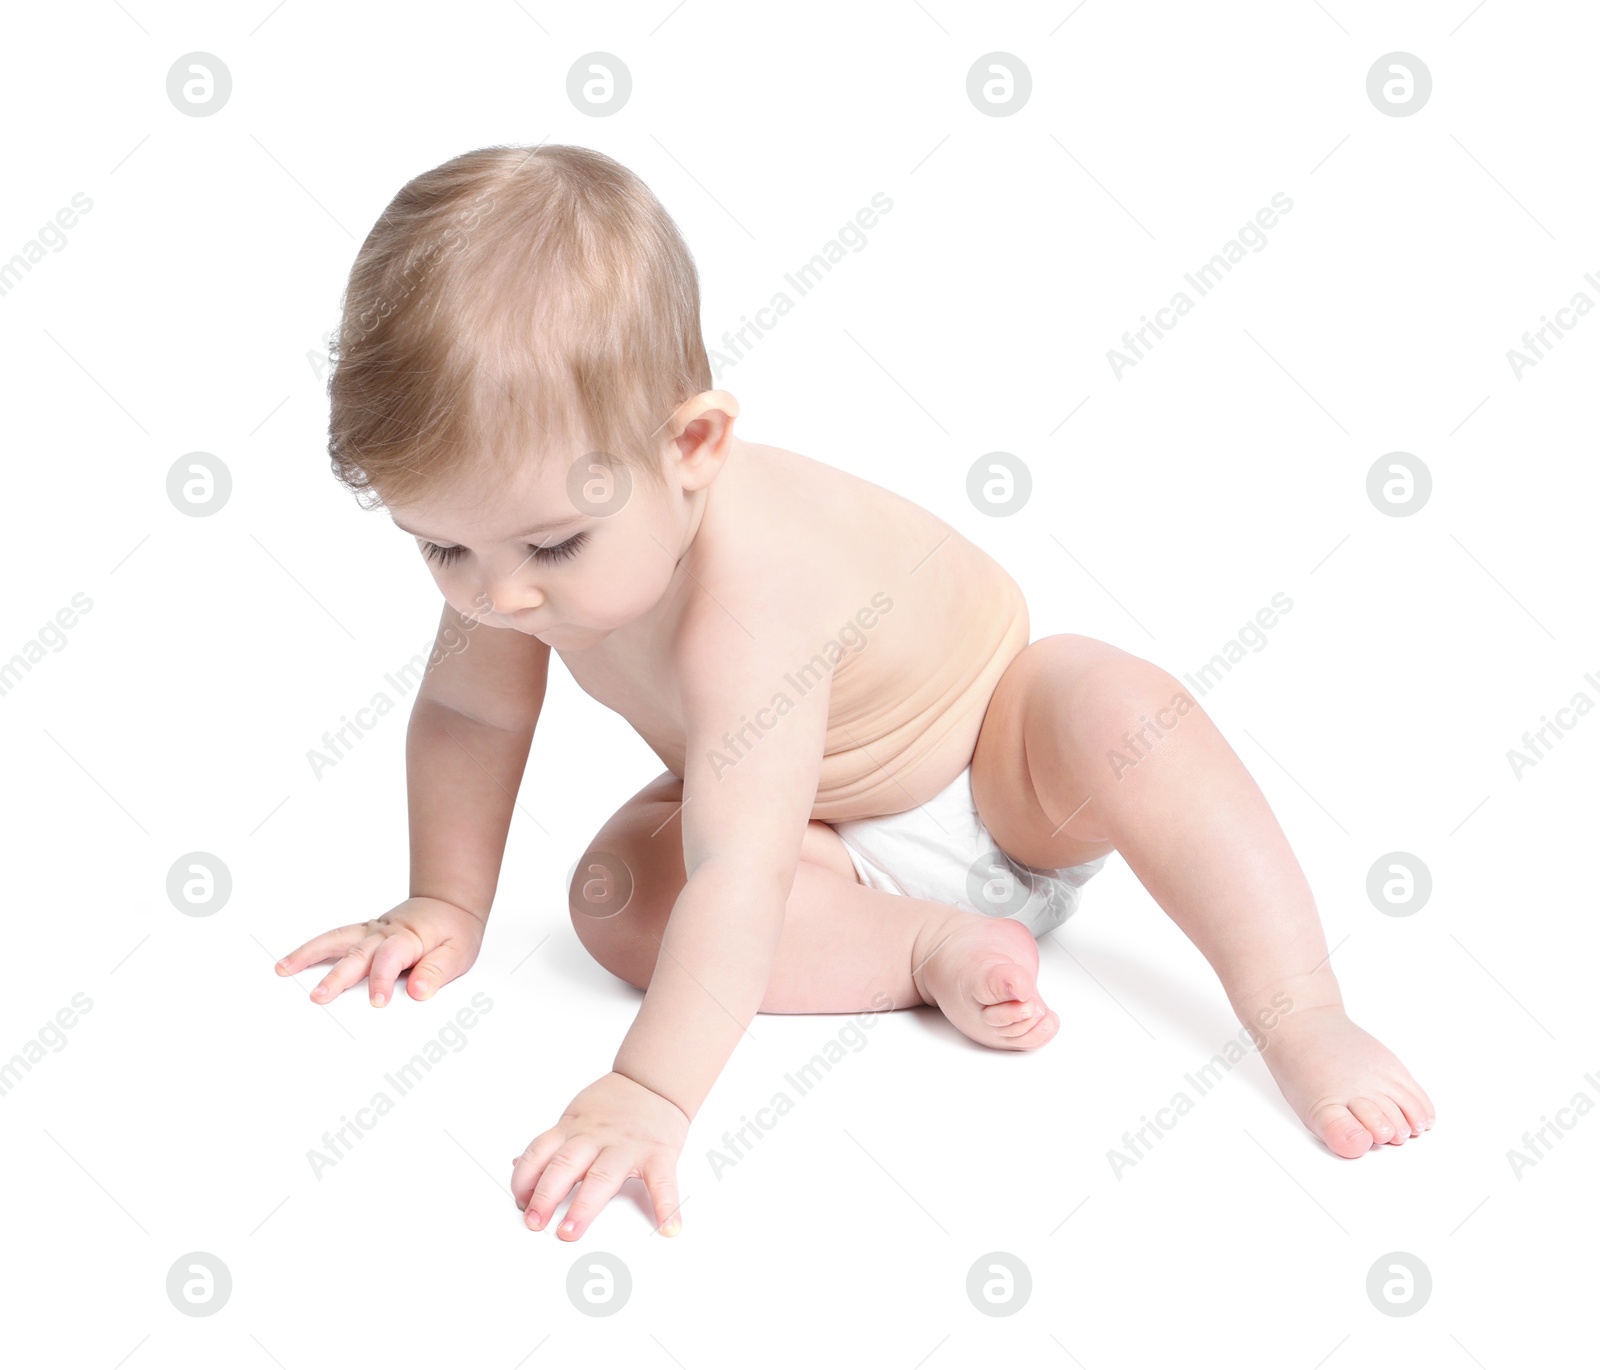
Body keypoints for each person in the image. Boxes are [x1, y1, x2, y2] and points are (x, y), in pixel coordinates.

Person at [275, 143, 1434, 1242]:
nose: (498, 597)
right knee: (614, 892)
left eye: (553, 546)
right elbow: (473, 715)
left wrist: (649, 1089)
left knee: (1115, 706)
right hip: (806, 837)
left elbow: (739, 871)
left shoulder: (758, 585)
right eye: (442, 550)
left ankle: (1303, 1006)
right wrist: (445, 901)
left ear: (693, 445)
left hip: (1000, 775)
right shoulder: (508, 550)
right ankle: (925, 944)